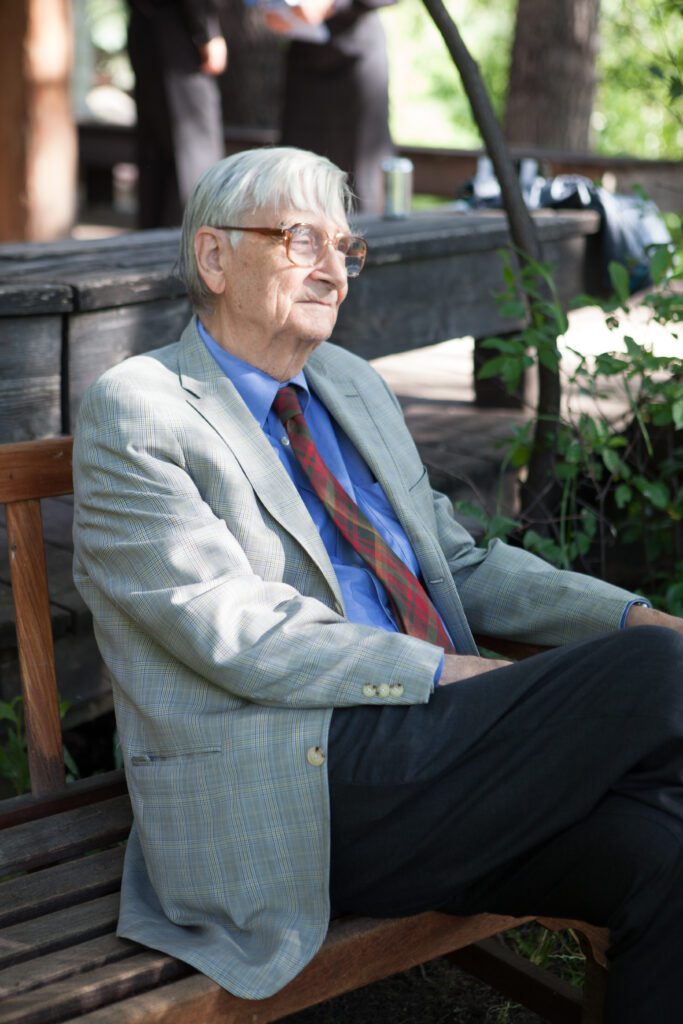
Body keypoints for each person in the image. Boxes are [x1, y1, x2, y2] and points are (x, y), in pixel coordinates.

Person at [72, 147, 683, 1023]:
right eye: (301, 240)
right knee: (653, 673)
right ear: (213, 257)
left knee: (662, 848)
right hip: (299, 784)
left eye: (345, 248)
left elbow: (461, 564)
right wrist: (446, 676)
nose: (333, 269)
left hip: (446, 763)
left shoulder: (349, 384)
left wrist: (634, 613)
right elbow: (238, 627)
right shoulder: (141, 409)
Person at [269, 0, 395, 213]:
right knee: (296, 166)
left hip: (355, 50)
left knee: (360, 172)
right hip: (304, 52)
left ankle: (362, 243)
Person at [126, 0, 228, 228]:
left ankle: (157, 237)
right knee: (193, 146)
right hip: (178, 32)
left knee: (160, 148)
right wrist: (205, 32)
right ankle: (194, 236)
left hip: (148, 27)